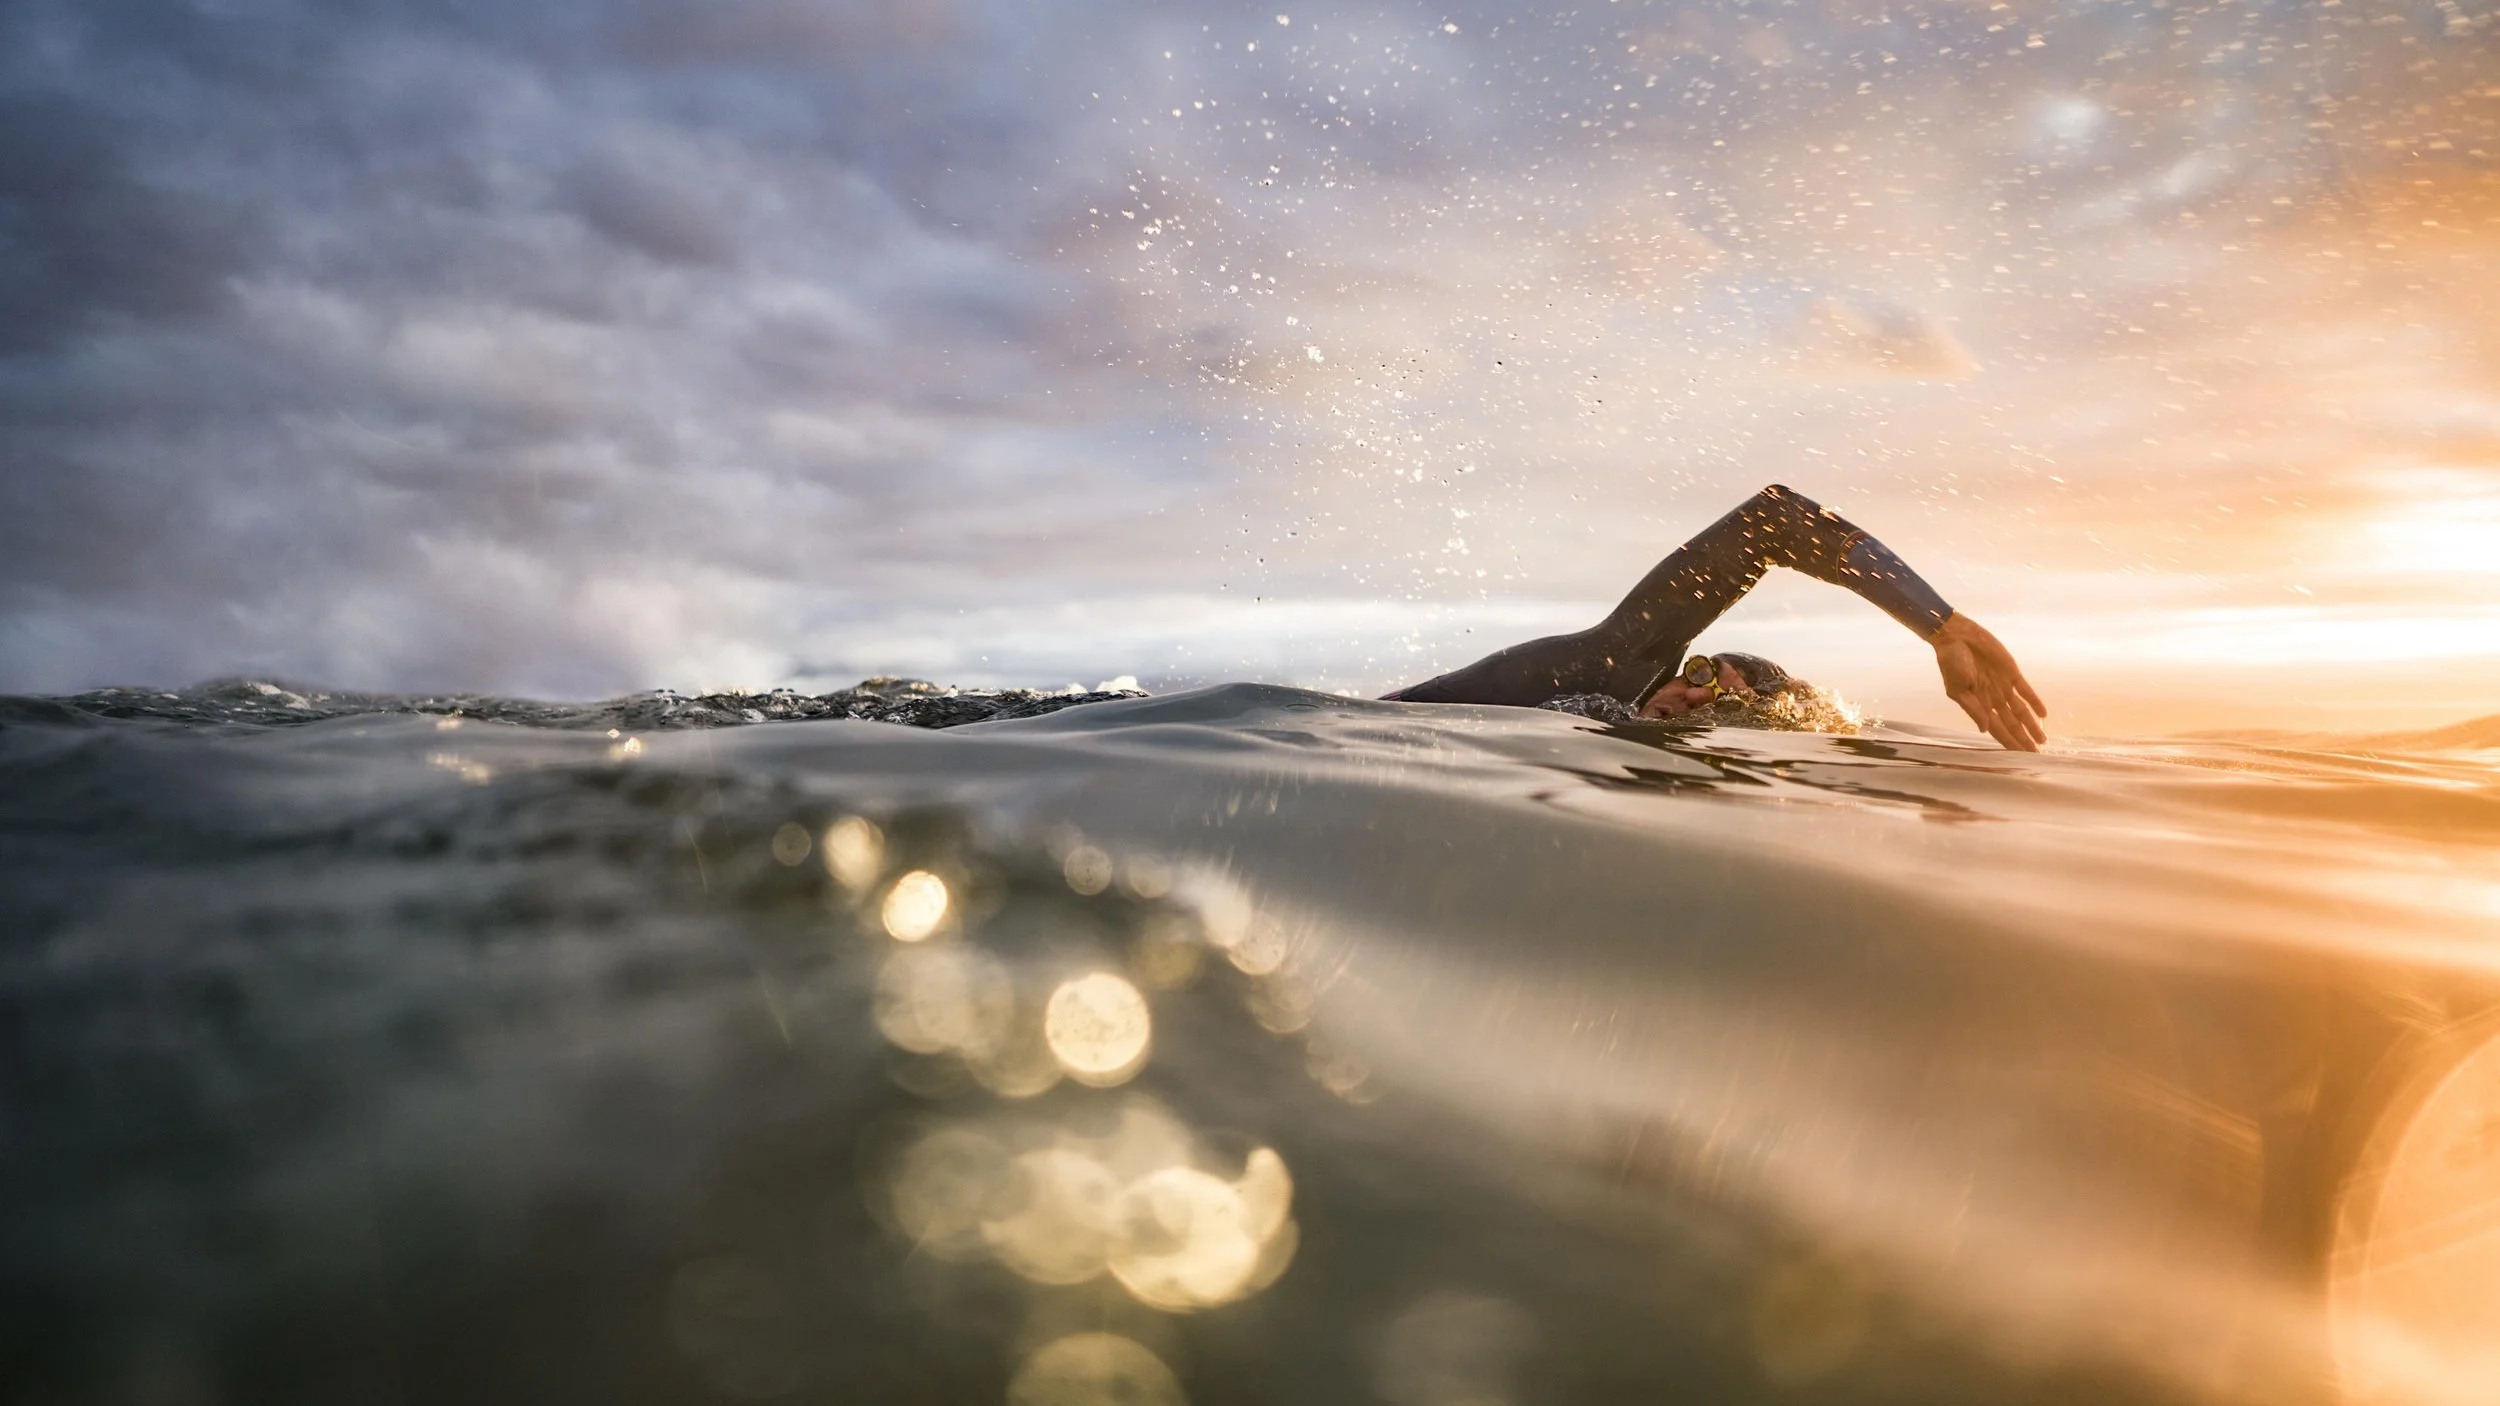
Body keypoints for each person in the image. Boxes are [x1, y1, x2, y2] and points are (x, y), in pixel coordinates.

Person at [1386, 484, 2048, 751]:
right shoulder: (1611, 668)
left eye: (1719, 695)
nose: (1694, 691)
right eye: (1700, 669)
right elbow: (1773, 521)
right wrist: (1942, 626)